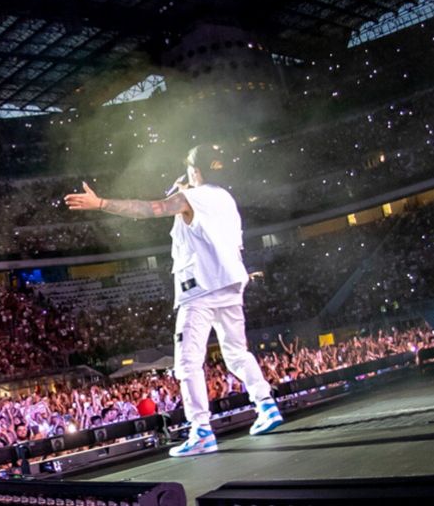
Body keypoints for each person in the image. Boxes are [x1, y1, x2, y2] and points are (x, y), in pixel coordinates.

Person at [65, 144, 283, 456]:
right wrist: (186, 195)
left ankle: (202, 430)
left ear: (195, 170)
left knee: (187, 364)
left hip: (201, 289)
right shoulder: (224, 197)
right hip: (231, 282)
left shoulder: (190, 198)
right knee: (236, 352)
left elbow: (147, 210)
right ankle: (266, 405)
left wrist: (100, 203)